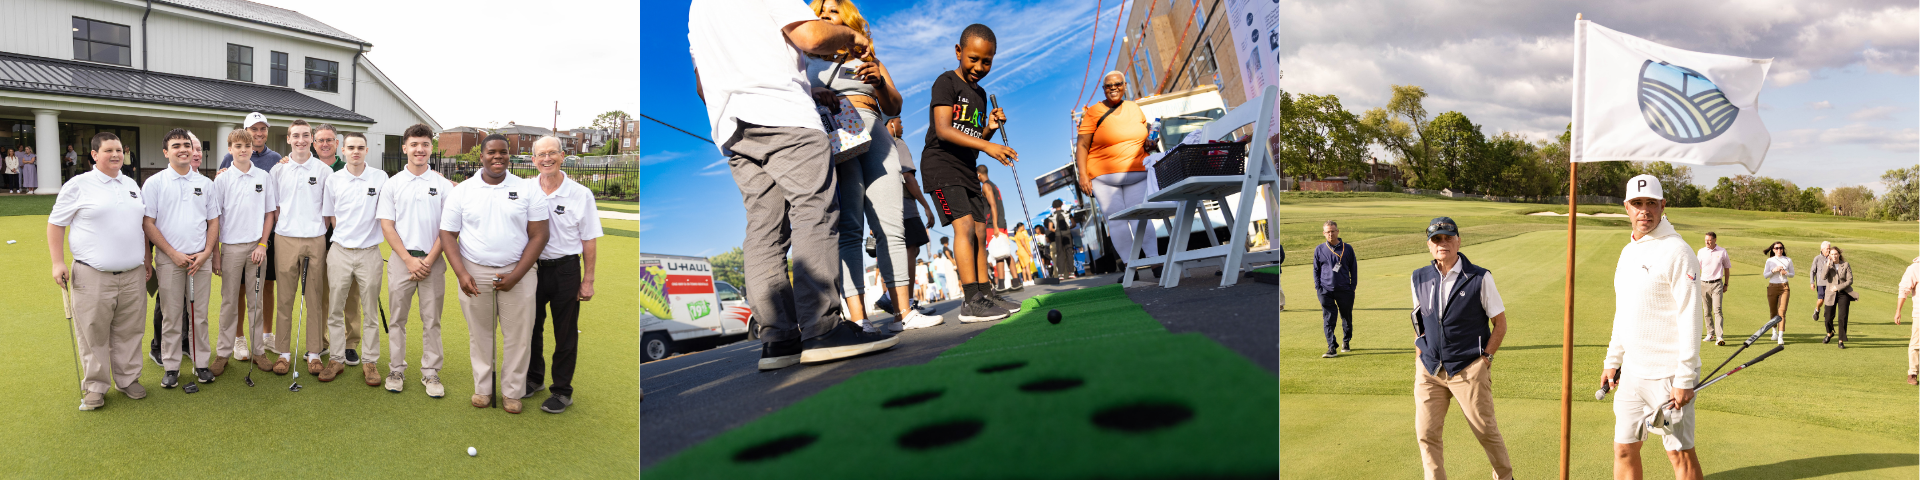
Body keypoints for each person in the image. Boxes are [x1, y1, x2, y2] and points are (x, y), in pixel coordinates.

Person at [690, 0, 899, 371]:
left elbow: (703, 86)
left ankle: (779, 339)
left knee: (763, 230)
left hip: (734, 126)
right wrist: (852, 35)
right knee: (814, 211)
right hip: (784, 116)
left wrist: (804, 89)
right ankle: (823, 329)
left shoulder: (698, 9)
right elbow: (809, 35)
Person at [803, 0, 915, 335]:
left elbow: (894, 105)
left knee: (890, 223)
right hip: (837, 135)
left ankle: (903, 312)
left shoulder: (866, 56)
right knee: (849, 226)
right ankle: (859, 318)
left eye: (832, 12)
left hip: (875, 131)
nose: (825, 17)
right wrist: (814, 91)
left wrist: (879, 81)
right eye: (818, 14)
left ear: (848, 18)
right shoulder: (803, 60)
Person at [1599, 174, 1704, 480]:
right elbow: (1625, 312)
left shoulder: (1678, 252)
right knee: (1623, 449)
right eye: (1637, 203)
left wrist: (1685, 376)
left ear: (1662, 206)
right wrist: (1613, 360)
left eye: (1650, 203)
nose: (1644, 210)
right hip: (1632, 374)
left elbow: (1690, 318)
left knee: (1679, 455)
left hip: (1668, 375)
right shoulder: (1629, 251)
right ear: (1627, 208)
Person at [440, 134, 550, 414]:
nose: (497, 157)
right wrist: (461, 273)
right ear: (482, 156)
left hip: (519, 271)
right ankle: (483, 388)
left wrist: (516, 275)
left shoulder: (528, 189)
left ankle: (513, 391)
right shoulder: (462, 191)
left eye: (503, 152)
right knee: (480, 334)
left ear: (509, 156)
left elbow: (539, 235)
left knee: (518, 335)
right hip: (475, 271)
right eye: (492, 152)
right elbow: (448, 235)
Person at [919, 24, 1018, 323]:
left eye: (986, 61)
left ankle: (984, 292)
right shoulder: (946, 81)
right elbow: (944, 129)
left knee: (977, 231)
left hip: (965, 167)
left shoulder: (981, 94)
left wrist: (987, 126)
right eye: (973, 58)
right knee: (963, 227)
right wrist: (989, 144)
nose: (979, 67)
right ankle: (970, 300)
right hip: (940, 165)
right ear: (959, 52)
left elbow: (970, 138)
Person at [49, 131, 150, 410]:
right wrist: (57, 262)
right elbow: (56, 224)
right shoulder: (78, 185)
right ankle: (95, 386)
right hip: (92, 275)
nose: (116, 155)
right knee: (93, 332)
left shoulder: (131, 184)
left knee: (130, 331)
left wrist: (145, 261)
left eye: (119, 150)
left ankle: (128, 379)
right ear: (94, 155)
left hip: (132, 275)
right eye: (109, 150)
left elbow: (138, 227)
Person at [1410, 217, 1513, 480]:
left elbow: (1499, 323)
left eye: (1447, 238)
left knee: (1485, 431)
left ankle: (1505, 477)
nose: (1442, 243)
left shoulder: (1479, 277)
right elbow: (1419, 319)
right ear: (1429, 245)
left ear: (1458, 241)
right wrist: (1420, 353)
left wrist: (1485, 359)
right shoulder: (1418, 277)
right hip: (1429, 369)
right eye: (1436, 239)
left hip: (1468, 369)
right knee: (1426, 433)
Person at [526, 136, 603, 413]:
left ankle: (561, 391)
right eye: (541, 154)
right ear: (533, 159)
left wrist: (588, 280)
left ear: (562, 156)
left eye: (552, 153)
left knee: (565, 333)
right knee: (531, 329)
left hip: (566, 270)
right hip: (532, 269)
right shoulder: (525, 189)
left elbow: (590, 239)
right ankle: (534, 380)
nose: (546, 159)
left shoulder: (580, 194)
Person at [376, 124, 454, 396]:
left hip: (433, 261)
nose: (420, 149)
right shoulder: (393, 184)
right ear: (405, 147)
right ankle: (396, 368)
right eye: (415, 144)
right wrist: (409, 259)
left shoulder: (443, 185)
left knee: (431, 320)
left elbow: (448, 228)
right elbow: (387, 225)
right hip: (401, 260)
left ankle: (430, 373)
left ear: (431, 148)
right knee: (397, 319)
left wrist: (429, 260)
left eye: (425, 144)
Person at [142, 128, 221, 390]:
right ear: (166, 152)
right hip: (170, 261)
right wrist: (173, 254)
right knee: (172, 316)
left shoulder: (206, 184)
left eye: (187, 145)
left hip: (201, 260)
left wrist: (207, 252)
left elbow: (213, 221)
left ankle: (201, 364)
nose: (183, 149)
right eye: (176, 146)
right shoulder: (154, 183)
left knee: (199, 316)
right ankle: (172, 367)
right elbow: (149, 223)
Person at [318, 132, 386, 383]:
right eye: (351, 147)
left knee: (369, 311)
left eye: (360, 147)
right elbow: (332, 217)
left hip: (370, 253)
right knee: (335, 309)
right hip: (340, 252)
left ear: (367, 150)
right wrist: (346, 238)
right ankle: (336, 359)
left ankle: (370, 362)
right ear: (343, 150)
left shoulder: (381, 178)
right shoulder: (334, 180)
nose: (355, 151)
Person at [1075, 70, 1159, 270]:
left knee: (1141, 216)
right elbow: (1082, 146)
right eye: (1109, 86)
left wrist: (1149, 144)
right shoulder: (1093, 112)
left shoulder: (1134, 108)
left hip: (1137, 172)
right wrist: (1083, 175)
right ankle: (1132, 267)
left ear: (1124, 85)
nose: (1113, 88)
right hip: (1104, 178)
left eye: (1118, 84)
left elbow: (1141, 137)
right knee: (1117, 220)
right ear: (1104, 89)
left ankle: (1155, 262)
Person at [211, 129, 274, 375]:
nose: (243, 150)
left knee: (255, 302)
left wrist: (262, 244)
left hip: (256, 249)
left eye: (247, 146)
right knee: (229, 302)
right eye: (238, 146)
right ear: (230, 150)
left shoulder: (263, 177)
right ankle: (223, 353)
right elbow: (214, 218)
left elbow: (270, 213)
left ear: (252, 149)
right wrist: (216, 253)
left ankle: (258, 351)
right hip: (231, 249)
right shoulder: (222, 180)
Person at [221, 112, 283, 360]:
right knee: (233, 295)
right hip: (234, 244)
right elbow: (219, 210)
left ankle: (263, 341)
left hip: (263, 241)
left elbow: (271, 208)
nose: (257, 135)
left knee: (263, 291)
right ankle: (233, 344)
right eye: (239, 145)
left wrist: (263, 242)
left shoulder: (275, 162)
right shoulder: (226, 167)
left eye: (262, 129)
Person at [313, 124, 364, 365]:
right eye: (320, 140)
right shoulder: (306, 167)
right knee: (322, 293)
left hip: (345, 240)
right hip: (315, 239)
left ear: (337, 145)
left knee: (350, 295)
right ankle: (321, 342)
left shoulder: (348, 169)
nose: (325, 144)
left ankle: (350, 343)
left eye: (329, 140)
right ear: (314, 144)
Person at [888, 117, 941, 329]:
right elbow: (908, 177)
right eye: (900, 121)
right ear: (891, 123)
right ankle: (906, 306)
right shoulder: (897, 143)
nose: (903, 125)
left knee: (905, 252)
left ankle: (900, 304)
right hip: (904, 205)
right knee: (910, 250)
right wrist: (926, 205)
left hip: (888, 206)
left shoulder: (878, 143)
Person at [1314, 220, 1357, 358]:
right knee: (1328, 318)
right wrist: (1318, 288)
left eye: (1333, 231)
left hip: (1344, 289)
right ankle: (1331, 347)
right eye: (1328, 232)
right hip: (1325, 290)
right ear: (1324, 233)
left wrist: (1352, 287)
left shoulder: (1347, 248)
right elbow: (1316, 270)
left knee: (1346, 317)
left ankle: (1346, 340)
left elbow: (1353, 269)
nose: (1330, 234)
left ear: (1338, 231)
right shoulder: (1319, 249)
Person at [1819, 246, 1857, 349]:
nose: (1834, 256)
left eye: (1836, 254)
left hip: (1843, 293)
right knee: (1828, 317)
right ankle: (1829, 333)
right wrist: (1827, 264)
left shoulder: (1845, 265)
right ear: (1829, 255)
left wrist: (1838, 287)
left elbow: (1850, 280)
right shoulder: (1828, 265)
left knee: (1842, 317)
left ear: (1839, 254)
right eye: (1831, 254)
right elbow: (1823, 277)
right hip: (1830, 293)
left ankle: (1841, 341)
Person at [1697, 232, 1730, 346]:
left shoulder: (1722, 252)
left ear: (1715, 240)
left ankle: (1719, 337)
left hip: (1717, 284)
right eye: (1706, 240)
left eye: (1709, 240)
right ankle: (1710, 333)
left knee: (1718, 310)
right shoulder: (1701, 251)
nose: (1707, 242)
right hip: (1703, 283)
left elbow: (1727, 268)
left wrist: (1726, 284)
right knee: (1706, 311)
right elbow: (1698, 267)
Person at [1761, 241, 1793, 344]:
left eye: (1781, 248)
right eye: (1776, 248)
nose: (1779, 250)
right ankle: (1774, 331)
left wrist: (1786, 273)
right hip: (1772, 286)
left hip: (1784, 287)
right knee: (1773, 311)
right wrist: (1773, 270)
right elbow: (1765, 275)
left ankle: (1780, 336)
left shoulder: (1788, 260)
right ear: (1773, 249)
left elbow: (1792, 274)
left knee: (1782, 312)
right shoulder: (1770, 261)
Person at [1895, 256, 1920, 385]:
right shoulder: (1915, 268)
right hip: (1919, 313)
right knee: (1916, 344)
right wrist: (1898, 310)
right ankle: (1912, 373)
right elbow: (1904, 289)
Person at [1045, 200, 1075, 281]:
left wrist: (1057, 231)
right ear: (1062, 204)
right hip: (1067, 234)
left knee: (1060, 253)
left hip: (1058, 236)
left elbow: (1050, 228)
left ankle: (1060, 274)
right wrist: (1068, 229)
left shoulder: (1052, 215)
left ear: (1053, 206)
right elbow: (1073, 223)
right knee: (1069, 252)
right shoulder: (1067, 212)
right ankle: (1071, 273)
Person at [1809, 241, 1831, 327]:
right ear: (1822, 249)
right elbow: (1812, 271)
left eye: (1829, 248)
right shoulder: (1817, 258)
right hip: (1821, 283)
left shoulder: (1832, 258)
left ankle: (1828, 317)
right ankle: (1817, 310)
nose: (1828, 250)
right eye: (1827, 249)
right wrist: (1812, 282)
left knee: (1829, 301)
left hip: (1830, 283)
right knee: (1821, 300)